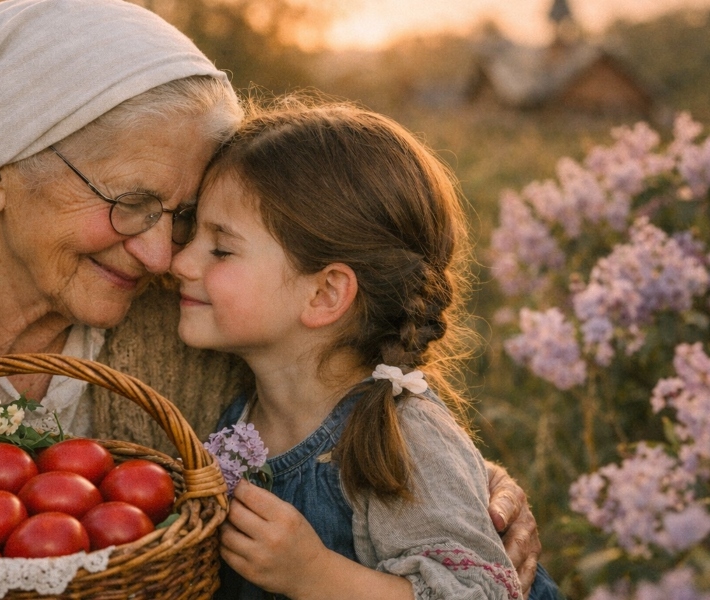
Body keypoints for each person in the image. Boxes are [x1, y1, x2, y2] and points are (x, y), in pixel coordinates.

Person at [0, 1, 541, 599]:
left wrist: (470, 488)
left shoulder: (186, 307)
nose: (163, 253)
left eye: (188, 217)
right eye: (128, 204)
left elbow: (332, 386)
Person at [171, 99, 563, 599]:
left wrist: (316, 576)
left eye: (221, 249)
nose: (181, 262)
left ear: (326, 294)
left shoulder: (403, 439)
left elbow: (481, 590)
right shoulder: (236, 423)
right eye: (192, 233)